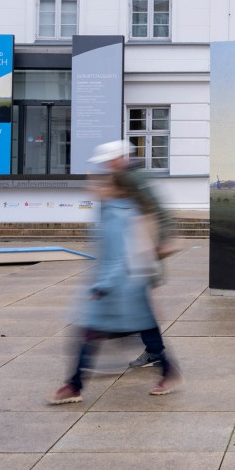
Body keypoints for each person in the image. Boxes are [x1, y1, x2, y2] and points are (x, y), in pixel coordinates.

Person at [47, 144, 181, 404]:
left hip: (121, 286)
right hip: (124, 284)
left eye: (100, 184)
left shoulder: (122, 206)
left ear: (114, 188)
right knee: (140, 328)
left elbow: (123, 252)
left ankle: (74, 385)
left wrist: (102, 286)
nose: (93, 188)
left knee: (93, 334)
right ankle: (166, 370)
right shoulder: (111, 209)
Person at [90, 140, 180, 369]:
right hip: (130, 251)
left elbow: (156, 209)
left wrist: (161, 242)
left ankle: (152, 351)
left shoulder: (132, 178)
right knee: (133, 300)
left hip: (138, 251)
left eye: (109, 161)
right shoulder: (124, 177)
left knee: (137, 302)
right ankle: (143, 345)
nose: (107, 166)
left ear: (120, 158)